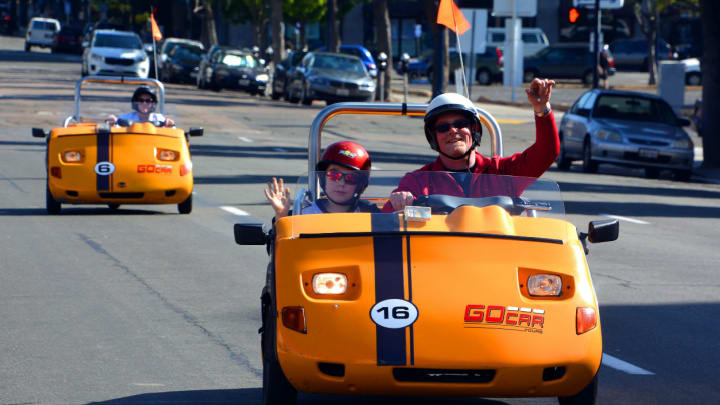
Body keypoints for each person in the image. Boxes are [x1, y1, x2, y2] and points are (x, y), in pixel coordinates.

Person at [384, 78, 560, 212]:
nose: (453, 131)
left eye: (460, 124)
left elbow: (547, 152)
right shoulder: (417, 181)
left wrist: (542, 109)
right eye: (443, 127)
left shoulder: (503, 172)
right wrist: (399, 201)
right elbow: (384, 223)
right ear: (433, 136)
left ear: (474, 129)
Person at [265, 141, 380, 218]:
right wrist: (281, 214)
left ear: (360, 185)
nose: (341, 183)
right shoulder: (303, 214)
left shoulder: (371, 214)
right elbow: (283, 250)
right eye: (334, 175)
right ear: (323, 177)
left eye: (351, 178)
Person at [105, 86, 175, 127]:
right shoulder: (124, 119)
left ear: (153, 103)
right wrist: (111, 121)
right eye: (140, 100)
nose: (144, 103)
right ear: (135, 103)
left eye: (148, 100)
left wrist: (171, 124)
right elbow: (113, 126)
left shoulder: (160, 119)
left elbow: (172, 131)